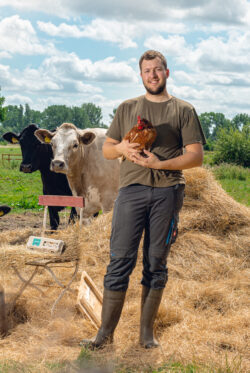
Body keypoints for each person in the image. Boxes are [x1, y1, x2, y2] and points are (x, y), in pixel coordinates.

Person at [80, 50, 206, 349]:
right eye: (147, 70)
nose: (152, 75)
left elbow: (196, 157)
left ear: (167, 72)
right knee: (119, 260)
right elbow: (108, 150)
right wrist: (123, 147)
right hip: (132, 192)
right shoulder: (127, 108)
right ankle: (104, 334)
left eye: (157, 69)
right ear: (141, 75)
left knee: (155, 262)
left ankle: (146, 335)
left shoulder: (183, 110)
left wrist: (158, 165)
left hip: (168, 192)